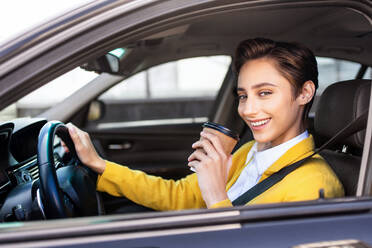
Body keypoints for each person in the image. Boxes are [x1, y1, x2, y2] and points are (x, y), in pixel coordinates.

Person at [67, 38, 344, 210]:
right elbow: (177, 196)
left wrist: (215, 195)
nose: (248, 109)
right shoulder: (249, 152)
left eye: (265, 93)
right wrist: (101, 165)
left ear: (304, 93)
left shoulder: (315, 185)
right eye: (243, 95)